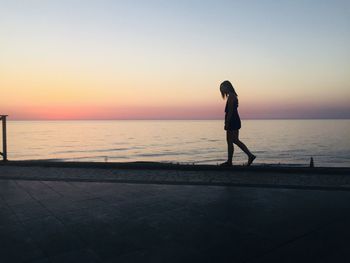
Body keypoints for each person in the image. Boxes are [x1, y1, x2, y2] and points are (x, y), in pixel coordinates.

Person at [220, 80, 256, 167]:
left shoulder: (231, 96)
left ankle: (231, 161)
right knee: (233, 140)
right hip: (234, 120)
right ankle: (248, 156)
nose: (222, 90)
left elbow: (231, 111)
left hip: (232, 120)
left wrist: (227, 122)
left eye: (222, 88)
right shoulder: (232, 96)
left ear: (227, 87)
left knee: (231, 140)